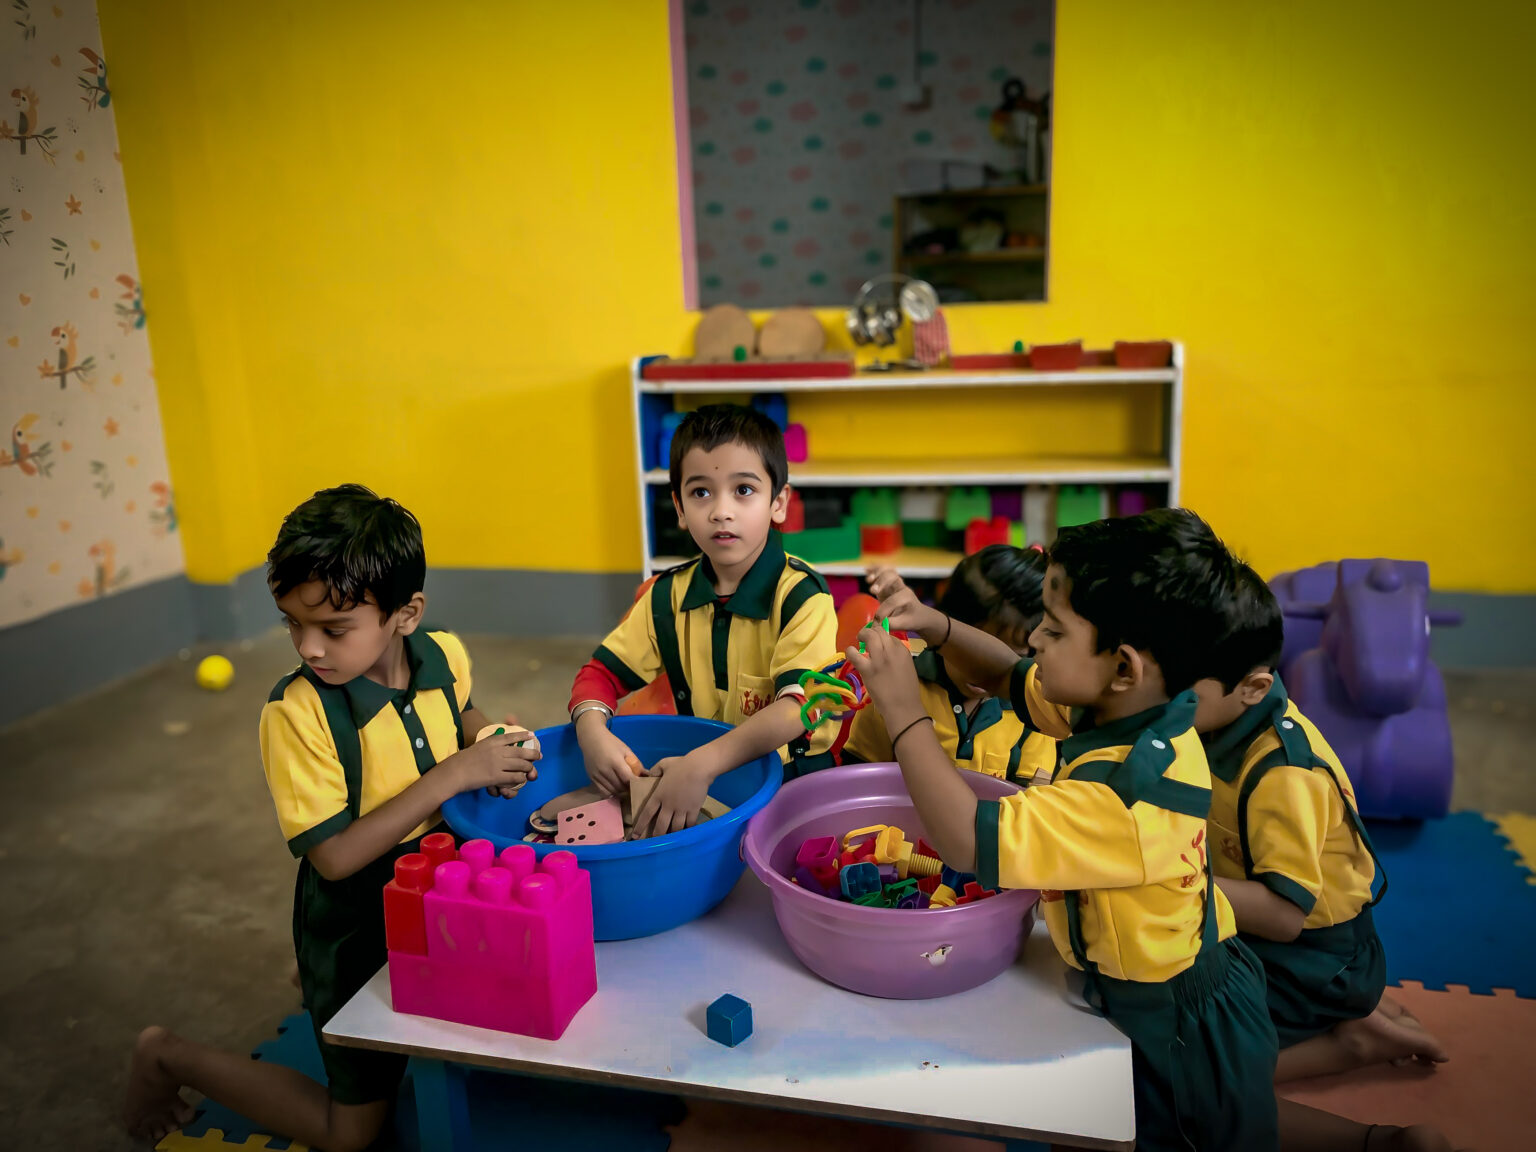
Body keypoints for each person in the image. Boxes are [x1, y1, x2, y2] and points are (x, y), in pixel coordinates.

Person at [850, 509, 1281, 1151]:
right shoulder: (1134, 710)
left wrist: (904, 709)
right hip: (1153, 986)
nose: (1033, 643)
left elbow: (968, 839)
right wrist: (937, 626)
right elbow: (1005, 674)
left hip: (1177, 1027)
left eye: (1051, 630)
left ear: (1125, 667)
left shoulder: (1125, 796)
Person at [124, 484, 539, 1150]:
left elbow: (461, 710)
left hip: (442, 895)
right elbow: (335, 857)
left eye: (333, 628)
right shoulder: (297, 715)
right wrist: (453, 776)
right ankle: (168, 1054)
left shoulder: (444, 655)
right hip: (355, 920)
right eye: (293, 623)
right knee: (352, 1137)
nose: (308, 648)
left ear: (407, 615)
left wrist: (489, 739)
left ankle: (314, 988)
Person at [1193, 562, 1449, 1081]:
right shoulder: (1213, 721)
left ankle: (1350, 1040)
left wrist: (1170, 876)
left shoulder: (1283, 773)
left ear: (1252, 687)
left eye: (1180, 690)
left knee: (1196, 1066)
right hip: (1261, 932)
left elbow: (1286, 916)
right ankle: (1363, 1011)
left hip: (1314, 959)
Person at [567, 404, 839, 838]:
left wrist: (701, 764)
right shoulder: (665, 597)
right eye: (701, 493)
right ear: (678, 507)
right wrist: (590, 730)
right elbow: (599, 674)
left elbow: (797, 710)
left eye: (744, 490)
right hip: (709, 778)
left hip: (795, 785)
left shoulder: (802, 597)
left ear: (779, 503)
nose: (721, 511)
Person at [843, 546, 1054, 784]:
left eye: (1008, 656)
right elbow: (859, 782)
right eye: (975, 650)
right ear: (945, 631)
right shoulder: (892, 685)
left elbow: (1035, 798)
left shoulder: (1037, 709)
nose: (984, 671)